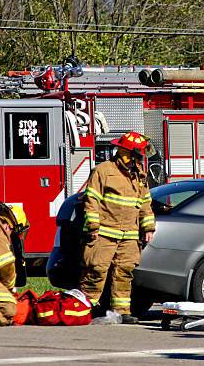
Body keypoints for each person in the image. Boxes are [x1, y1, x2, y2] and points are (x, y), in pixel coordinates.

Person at [79, 131, 155, 324]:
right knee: (96, 271)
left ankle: (121, 311)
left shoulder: (139, 176)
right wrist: (93, 226)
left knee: (124, 272)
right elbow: (92, 199)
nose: (140, 160)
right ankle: (84, 309)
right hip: (104, 232)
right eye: (138, 155)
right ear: (126, 153)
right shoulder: (103, 171)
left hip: (129, 234)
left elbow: (145, 203)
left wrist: (148, 228)